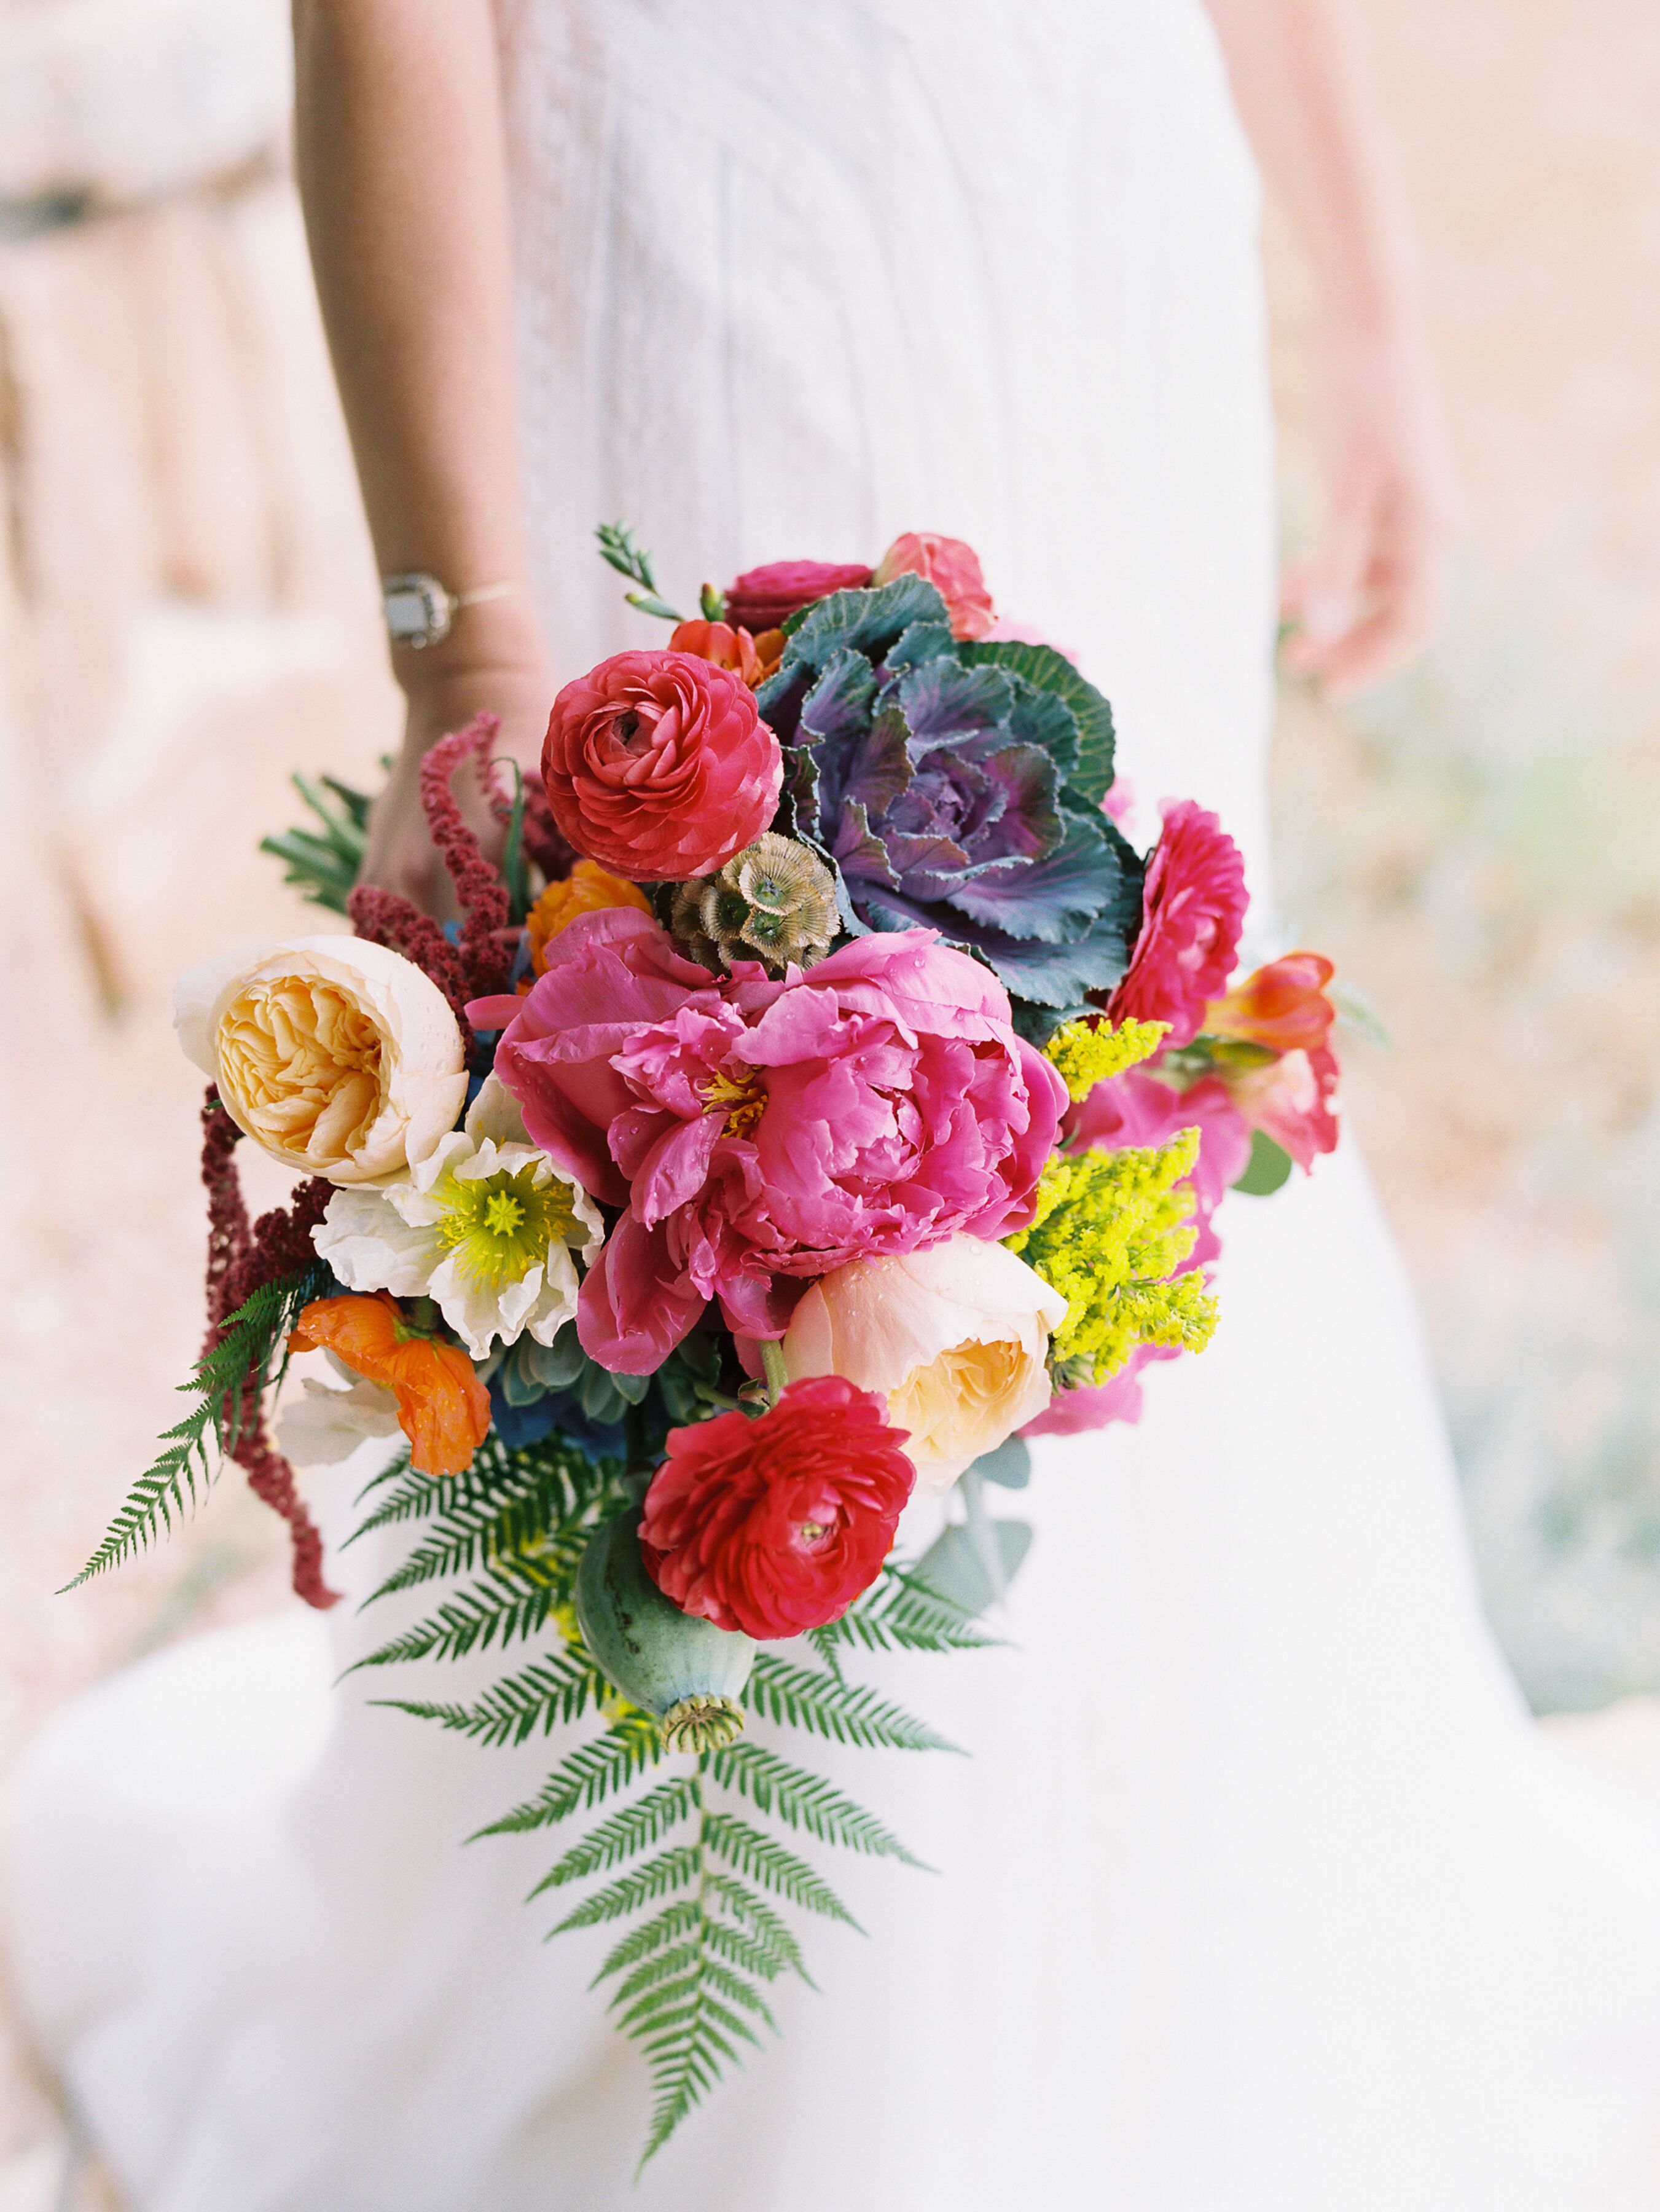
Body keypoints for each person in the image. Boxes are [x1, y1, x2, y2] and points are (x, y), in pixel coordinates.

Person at [9, 4, 1660, 2208]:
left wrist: (1372, 315)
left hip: (1104, 202)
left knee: (1135, 1068)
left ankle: (1221, 1970)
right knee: (762, 1142)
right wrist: (458, 649)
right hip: (713, 228)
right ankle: (776, 2076)